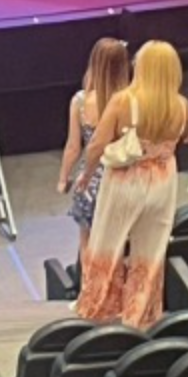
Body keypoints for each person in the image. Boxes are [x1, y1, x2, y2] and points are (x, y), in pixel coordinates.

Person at [75, 40, 188, 328]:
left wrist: (86, 175)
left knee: (107, 245)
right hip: (163, 185)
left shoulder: (123, 101)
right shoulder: (181, 104)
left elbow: (97, 144)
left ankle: (99, 311)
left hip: (125, 182)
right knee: (150, 252)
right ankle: (140, 316)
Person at [59, 38, 131, 271]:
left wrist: (63, 178)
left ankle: (89, 286)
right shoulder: (130, 101)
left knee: (87, 242)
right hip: (124, 179)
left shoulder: (80, 102)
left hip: (90, 182)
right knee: (120, 244)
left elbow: (73, 147)